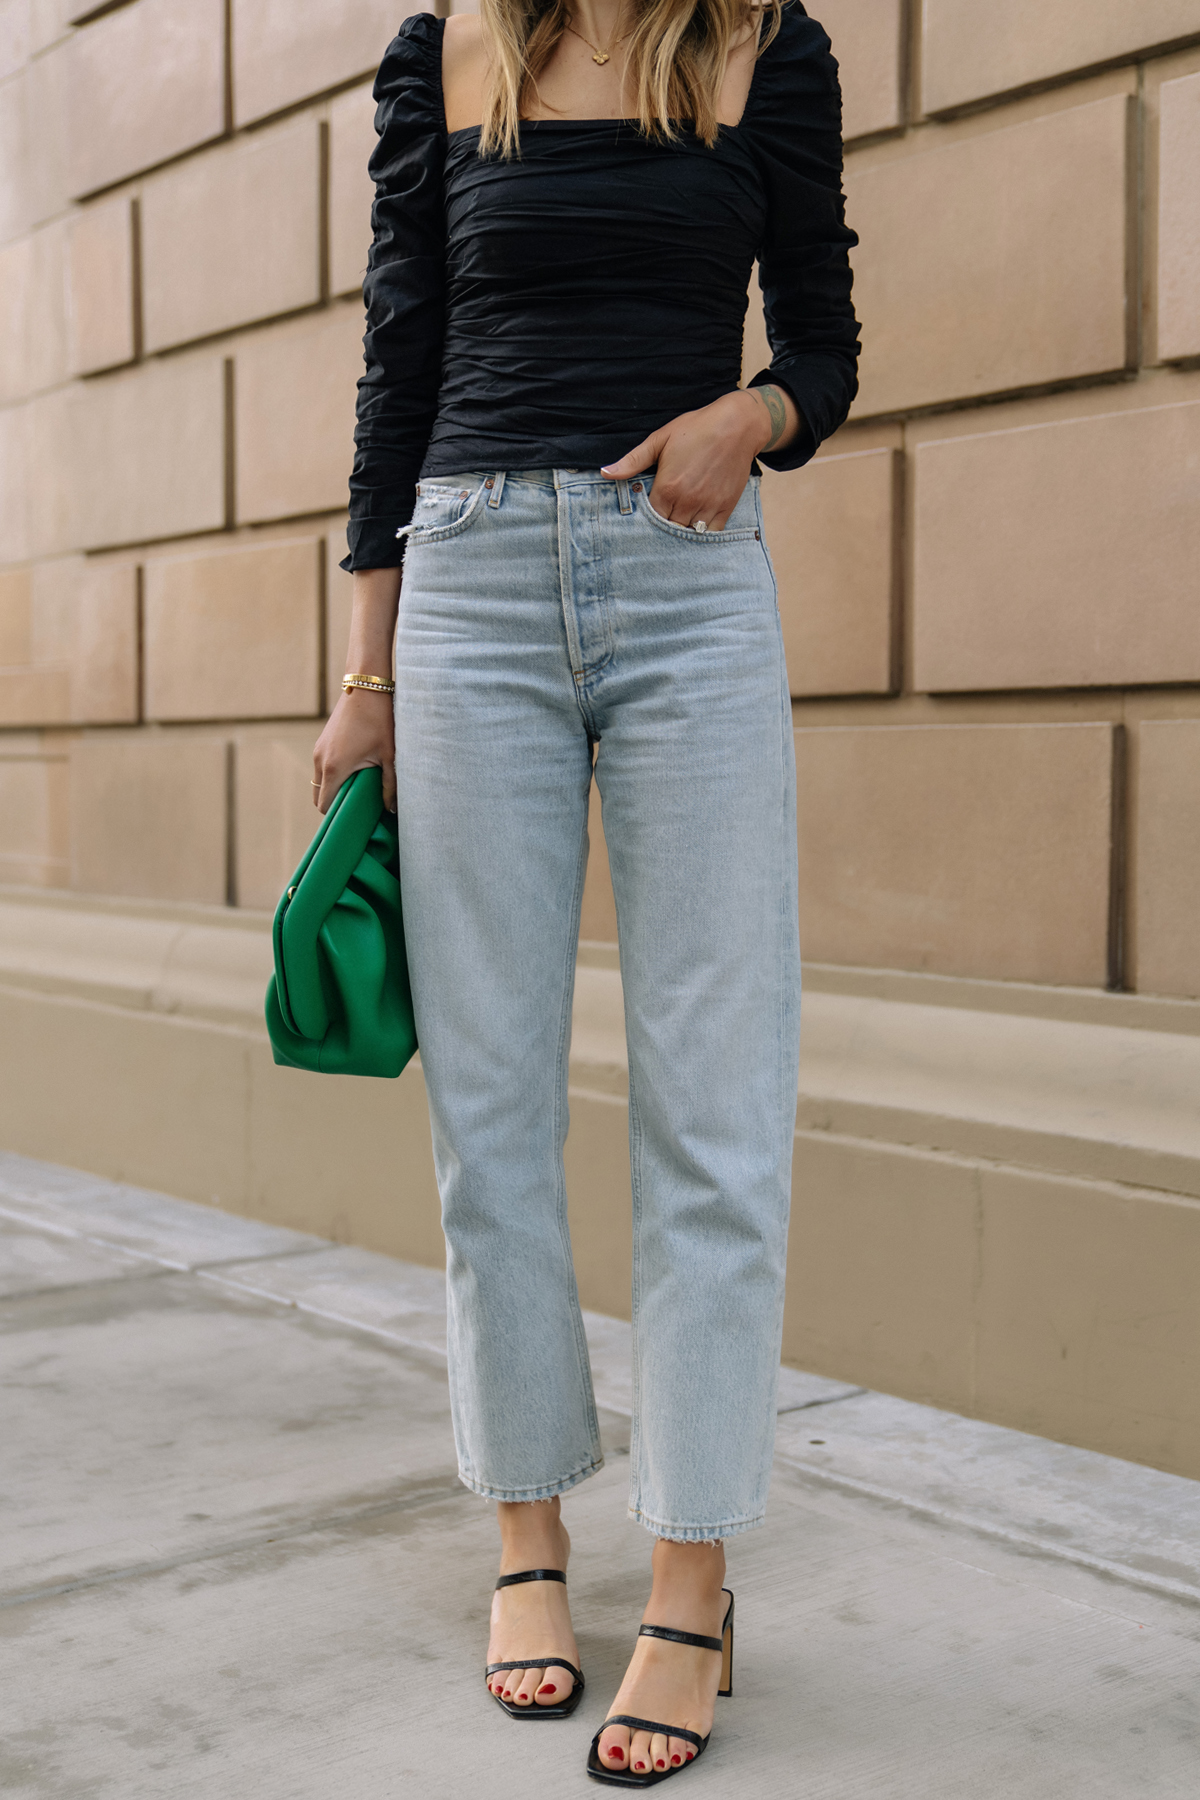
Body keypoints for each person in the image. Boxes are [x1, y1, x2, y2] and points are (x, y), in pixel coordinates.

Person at [312, 0, 858, 1780]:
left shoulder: (766, 44)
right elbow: (402, 359)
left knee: (717, 1093)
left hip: (688, 582)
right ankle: (529, 1538)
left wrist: (753, 417)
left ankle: (690, 1581)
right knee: (491, 1105)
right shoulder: (444, 50)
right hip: (468, 591)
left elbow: (830, 346)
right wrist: (366, 680)